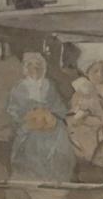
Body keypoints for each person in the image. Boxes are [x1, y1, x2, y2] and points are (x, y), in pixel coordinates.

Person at [7, 52, 76, 182]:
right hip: (29, 124)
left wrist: (51, 116)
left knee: (60, 134)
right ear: (25, 68)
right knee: (31, 139)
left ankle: (55, 176)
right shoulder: (19, 87)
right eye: (31, 65)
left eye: (38, 65)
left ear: (43, 68)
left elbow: (59, 107)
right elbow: (13, 110)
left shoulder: (49, 85)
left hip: (49, 123)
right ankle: (31, 175)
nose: (35, 68)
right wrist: (29, 117)